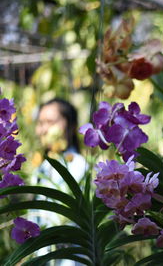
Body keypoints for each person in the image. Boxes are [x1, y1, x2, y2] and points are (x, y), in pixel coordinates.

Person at [32, 98, 87, 266]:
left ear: (70, 126)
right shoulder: (40, 170)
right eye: (40, 123)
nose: (44, 129)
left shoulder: (80, 166)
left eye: (50, 122)